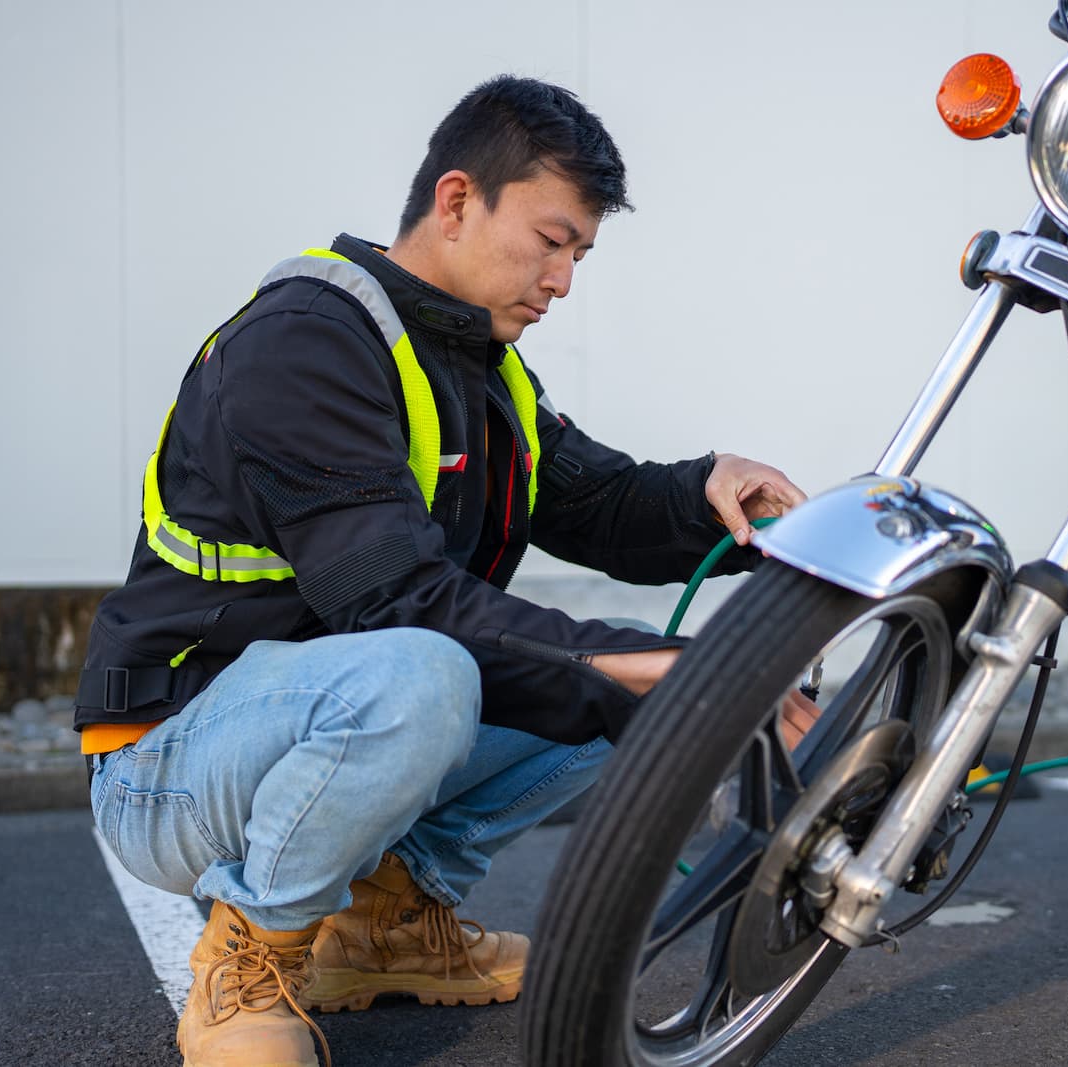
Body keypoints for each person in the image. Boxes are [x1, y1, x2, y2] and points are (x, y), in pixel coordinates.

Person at [73, 74, 807, 1067]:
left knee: (633, 688)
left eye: (581, 254)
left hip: (326, 712)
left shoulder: (477, 361)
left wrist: (707, 492)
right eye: (552, 241)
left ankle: (383, 920)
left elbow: (591, 500)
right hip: (172, 762)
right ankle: (251, 955)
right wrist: (650, 661)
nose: (563, 280)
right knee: (444, 670)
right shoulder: (303, 345)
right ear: (459, 200)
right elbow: (393, 599)